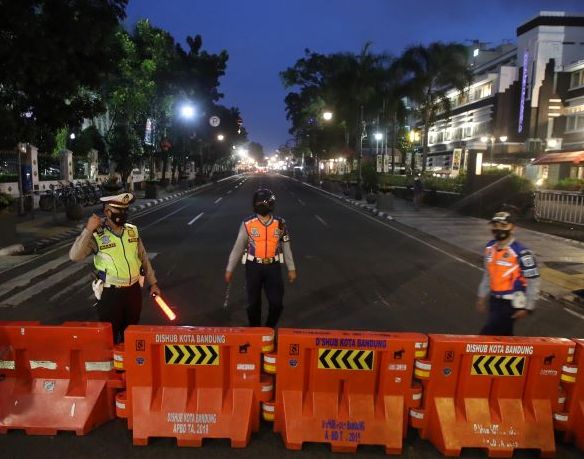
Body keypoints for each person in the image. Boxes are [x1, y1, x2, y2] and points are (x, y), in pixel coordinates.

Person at [69, 192, 161, 343]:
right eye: (119, 211)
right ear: (107, 212)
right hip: (111, 294)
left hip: (133, 292)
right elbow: (74, 255)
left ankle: (127, 364)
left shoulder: (132, 230)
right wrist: (88, 230)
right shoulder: (97, 235)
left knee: (131, 334)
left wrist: (153, 283)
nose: (123, 214)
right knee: (110, 337)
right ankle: (113, 364)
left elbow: (143, 257)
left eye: (126, 210)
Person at [225, 187, 297, 327]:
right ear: (254, 204)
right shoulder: (248, 224)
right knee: (253, 304)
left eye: (264, 203)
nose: (261, 205)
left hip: (273, 267)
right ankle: (255, 330)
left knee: (277, 303)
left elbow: (286, 246)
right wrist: (230, 268)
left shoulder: (280, 223)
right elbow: (238, 247)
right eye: (259, 203)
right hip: (253, 268)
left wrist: (291, 268)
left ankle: (269, 327)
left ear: (271, 204)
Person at [476, 211, 540, 336]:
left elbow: (533, 280)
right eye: (495, 225)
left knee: (486, 337)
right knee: (504, 338)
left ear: (513, 228)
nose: (498, 229)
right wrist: (482, 297)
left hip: (511, 303)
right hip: (494, 301)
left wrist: (528, 306)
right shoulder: (489, 248)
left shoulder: (522, 252)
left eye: (503, 225)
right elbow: (488, 275)